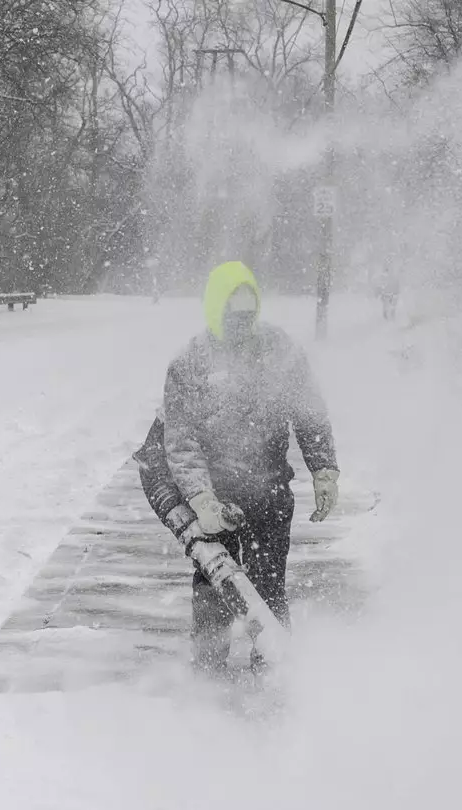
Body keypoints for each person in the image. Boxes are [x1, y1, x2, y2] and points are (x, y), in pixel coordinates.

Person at [133, 260, 339, 675]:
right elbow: (181, 442)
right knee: (214, 588)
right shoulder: (190, 363)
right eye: (233, 315)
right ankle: (209, 670)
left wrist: (324, 469)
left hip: (270, 494)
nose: (242, 324)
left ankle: (273, 670)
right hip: (217, 496)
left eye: (249, 314)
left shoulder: (280, 351)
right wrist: (202, 499)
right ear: (215, 311)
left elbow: (310, 412)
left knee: (269, 584)